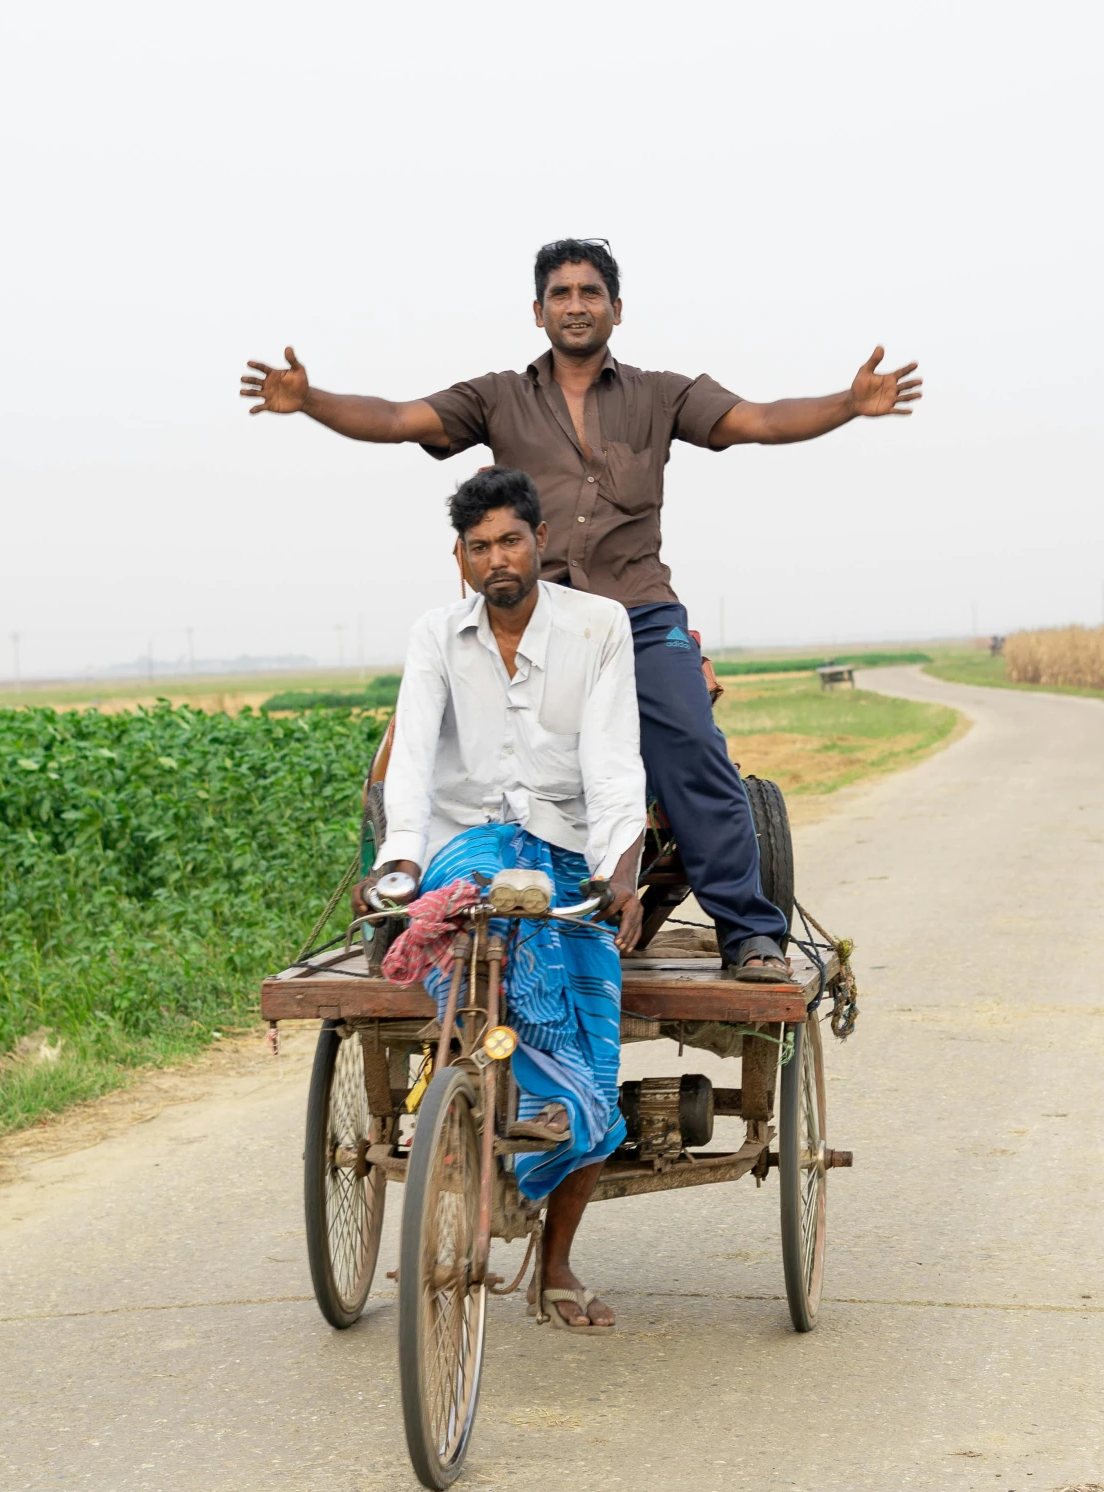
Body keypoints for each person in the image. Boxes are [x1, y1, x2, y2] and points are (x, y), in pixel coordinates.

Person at [243, 237, 922, 982]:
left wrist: (849, 406)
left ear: (616, 309)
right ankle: (413, 909)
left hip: (638, 616)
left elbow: (758, 419)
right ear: (538, 311)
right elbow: (402, 417)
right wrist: (309, 402)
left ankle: (750, 932)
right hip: (534, 615)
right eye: (560, 294)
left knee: (692, 747)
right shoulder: (499, 396)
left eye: (590, 292)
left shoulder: (661, 395)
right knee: (421, 747)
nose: (575, 305)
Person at [370, 466, 649, 1332]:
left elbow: (612, 764)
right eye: (479, 546)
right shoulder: (435, 635)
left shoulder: (599, 627)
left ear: (539, 543)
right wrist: (401, 864)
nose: (498, 558)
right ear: (460, 558)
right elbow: (411, 758)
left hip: (567, 852)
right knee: (472, 926)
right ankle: (467, 1116)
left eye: (511, 540)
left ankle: (555, 1263)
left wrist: (621, 870)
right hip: (470, 848)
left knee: (593, 1059)